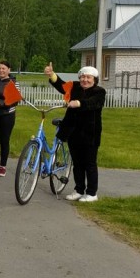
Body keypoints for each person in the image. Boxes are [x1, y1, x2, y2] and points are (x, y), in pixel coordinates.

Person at [45, 62, 106, 202]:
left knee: (90, 164)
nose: (85, 80)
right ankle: (78, 190)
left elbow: (93, 103)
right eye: (83, 77)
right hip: (73, 132)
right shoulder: (74, 86)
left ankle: (92, 193)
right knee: (77, 163)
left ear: (94, 79)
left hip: (90, 134)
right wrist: (52, 74)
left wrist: (78, 103)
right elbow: (61, 86)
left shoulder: (99, 91)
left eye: (88, 77)